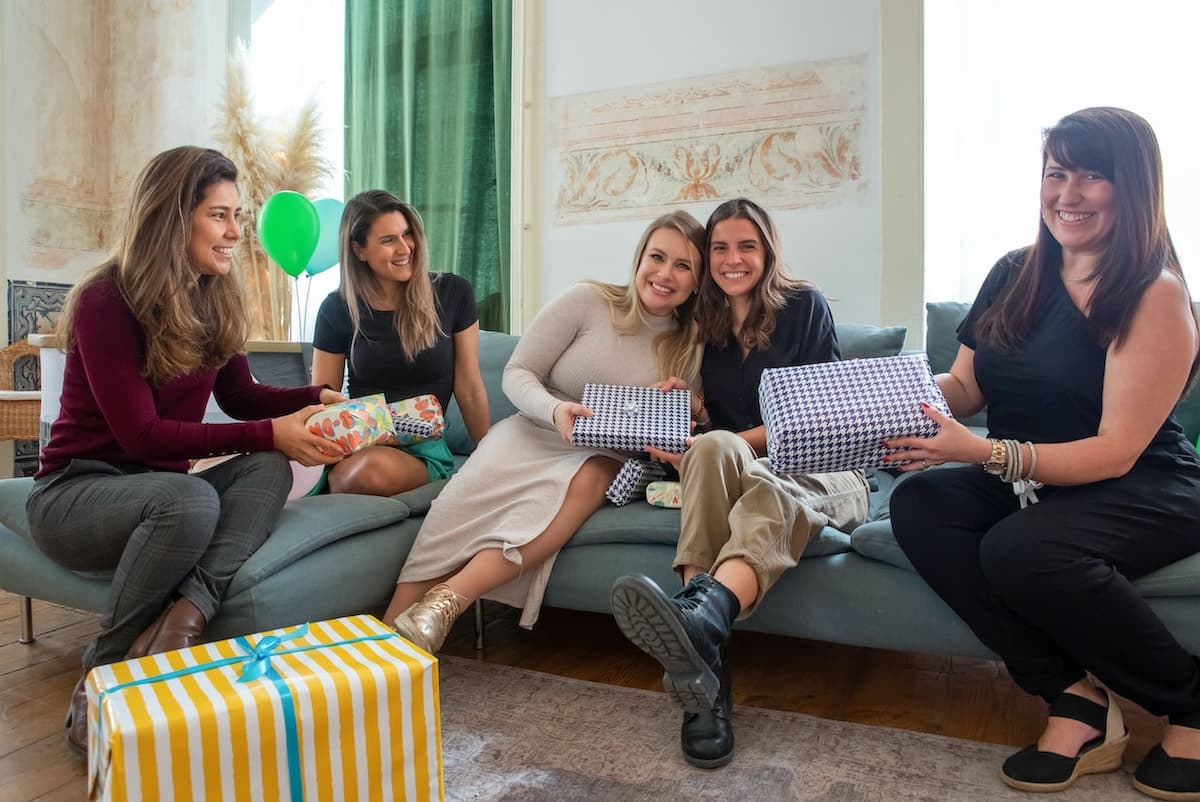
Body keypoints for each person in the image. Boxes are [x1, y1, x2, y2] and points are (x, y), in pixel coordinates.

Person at [885, 107, 1200, 798]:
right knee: (920, 503)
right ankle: (1074, 697)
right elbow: (965, 385)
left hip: (1143, 484)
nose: (1068, 193)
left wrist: (982, 453)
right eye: (1057, 173)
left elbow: (1116, 451)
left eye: (1093, 176)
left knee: (1020, 550)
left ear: (1135, 186)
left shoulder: (1155, 294)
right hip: (1033, 474)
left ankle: (1192, 700)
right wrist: (887, 395)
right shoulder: (1013, 272)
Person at [27, 146, 346, 757]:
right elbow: (140, 437)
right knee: (191, 499)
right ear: (175, 218)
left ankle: (184, 620)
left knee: (268, 466)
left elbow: (243, 396)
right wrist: (269, 430)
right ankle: (104, 673)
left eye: (237, 217)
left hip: (161, 497)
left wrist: (315, 397)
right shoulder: (105, 301)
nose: (235, 234)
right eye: (219, 216)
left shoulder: (216, 294)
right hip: (75, 493)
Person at [607, 197, 870, 768]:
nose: (732, 259)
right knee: (715, 446)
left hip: (825, 469)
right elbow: (719, 439)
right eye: (719, 248)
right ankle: (703, 646)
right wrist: (693, 421)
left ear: (767, 250)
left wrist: (722, 441)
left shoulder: (804, 307)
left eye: (745, 246)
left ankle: (701, 632)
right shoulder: (704, 324)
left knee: (768, 486)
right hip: (747, 467)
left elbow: (813, 420)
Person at [382, 210, 706, 653]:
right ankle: (380, 648)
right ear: (639, 258)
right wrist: (555, 411)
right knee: (456, 508)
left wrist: (683, 410)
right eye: (657, 256)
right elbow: (518, 371)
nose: (665, 274)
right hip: (534, 430)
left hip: (607, 457)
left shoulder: (692, 344)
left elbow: (684, 431)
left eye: (683, 266)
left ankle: (447, 604)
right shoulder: (588, 300)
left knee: (590, 476)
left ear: (696, 280)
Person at [311, 190, 489, 496]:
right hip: (360, 441)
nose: (405, 248)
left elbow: (469, 387)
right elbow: (321, 398)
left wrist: (491, 459)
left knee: (359, 476)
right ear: (358, 250)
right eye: (387, 240)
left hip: (420, 446)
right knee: (349, 473)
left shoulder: (452, 292)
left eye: (407, 234)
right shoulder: (336, 309)